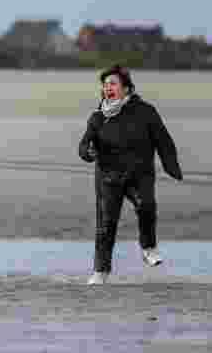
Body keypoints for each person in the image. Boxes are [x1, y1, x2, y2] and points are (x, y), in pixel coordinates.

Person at [78, 64, 183, 285]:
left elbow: (163, 140)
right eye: (105, 84)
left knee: (146, 206)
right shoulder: (98, 117)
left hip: (139, 174)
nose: (108, 87)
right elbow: (84, 144)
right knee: (105, 225)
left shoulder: (145, 111)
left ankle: (148, 247)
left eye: (113, 83)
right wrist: (86, 153)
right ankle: (100, 271)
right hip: (108, 177)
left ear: (126, 88)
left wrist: (171, 165)